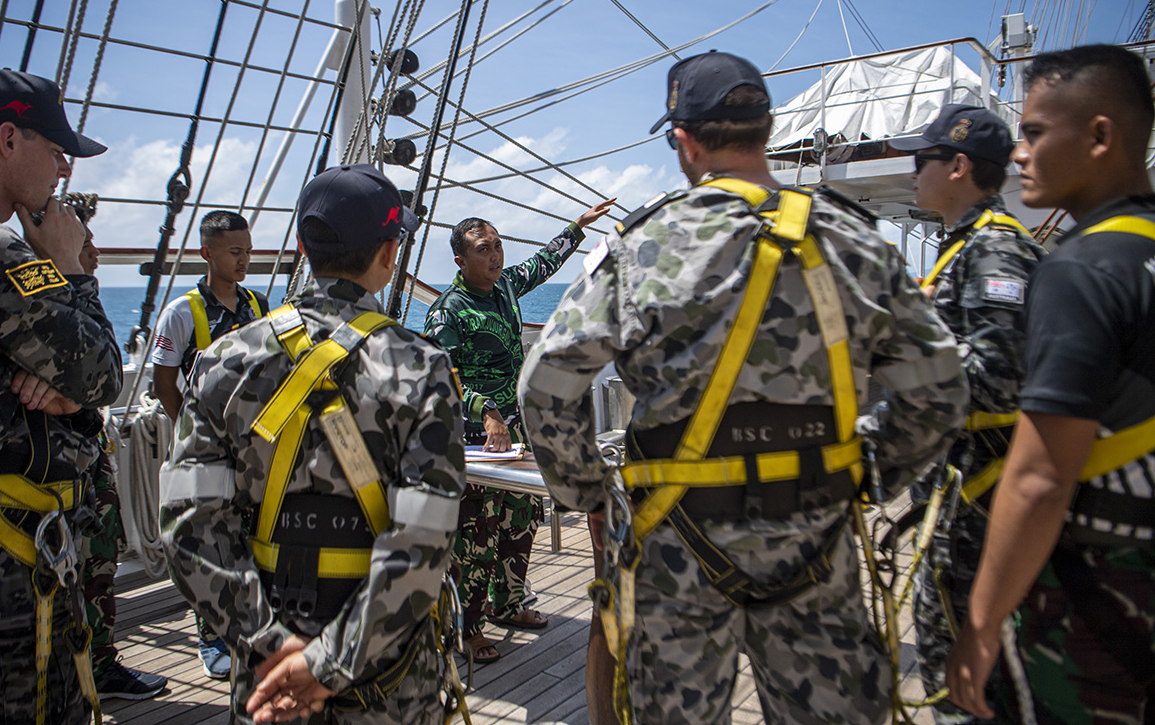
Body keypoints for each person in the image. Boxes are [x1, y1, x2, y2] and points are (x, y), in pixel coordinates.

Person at [519, 50, 968, 725]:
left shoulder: (642, 246)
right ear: (766, 129)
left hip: (675, 546)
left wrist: (589, 492)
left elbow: (545, 386)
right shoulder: (853, 240)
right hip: (816, 535)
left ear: (684, 140)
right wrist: (871, 471)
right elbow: (938, 387)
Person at [160, 163, 466, 724]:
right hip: (387, 681)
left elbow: (188, 522)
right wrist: (327, 664)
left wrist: (270, 647)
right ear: (388, 254)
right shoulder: (422, 368)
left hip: (267, 679)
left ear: (302, 245)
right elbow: (427, 535)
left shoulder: (224, 361)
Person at [947, 45, 1155, 723]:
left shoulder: (1082, 270)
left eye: (1035, 132)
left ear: (1099, 136)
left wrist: (980, 625)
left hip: (1102, 598)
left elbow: (1040, 477)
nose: (1019, 153)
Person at [0, 69, 122, 723]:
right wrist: (72, 273)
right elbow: (103, 373)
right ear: (5, 138)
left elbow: (77, 384)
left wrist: (68, 390)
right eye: (55, 153)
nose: (62, 171)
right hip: (5, 556)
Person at [887, 104, 1045, 725]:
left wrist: (904, 352)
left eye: (921, 160)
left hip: (976, 513)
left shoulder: (996, 252)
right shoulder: (964, 251)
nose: (912, 170)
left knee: (971, 689)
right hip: (954, 508)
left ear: (958, 166)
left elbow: (1000, 380)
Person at [423, 199, 613, 665]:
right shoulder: (449, 312)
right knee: (477, 533)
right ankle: (468, 627)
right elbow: (439, 379)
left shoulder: (505, 285)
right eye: (484, 249)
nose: (495, 256)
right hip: (473, 440)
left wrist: (578, 226)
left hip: (515, 432)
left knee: (522, 517)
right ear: (460, 261)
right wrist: (483, 409)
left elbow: (543, 263)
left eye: (498, 246)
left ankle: (508, 603)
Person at [150, 208, 269, 680]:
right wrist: (195, 435)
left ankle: (253, 625)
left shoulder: (260, 307)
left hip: (255, 452)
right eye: (235, 252)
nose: (244, 260)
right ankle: (211, 636)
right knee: (210, 542)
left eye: (248, 251)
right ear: (207, 253)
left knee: (253, 537)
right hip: (207, 452)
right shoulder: (183, 313)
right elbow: (164, 384)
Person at [68, 195, 168, 701]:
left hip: (86, 455)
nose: (95, 252)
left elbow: (100, 381)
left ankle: (100, 663)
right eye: (85, 242)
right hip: (52, 469)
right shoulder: (48, 299)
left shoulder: (77, 297)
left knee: (98, 564)